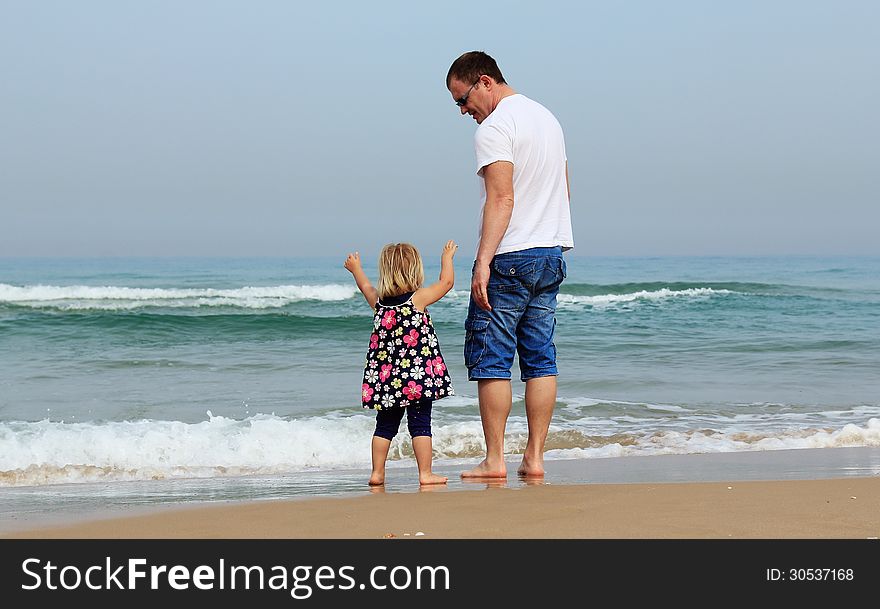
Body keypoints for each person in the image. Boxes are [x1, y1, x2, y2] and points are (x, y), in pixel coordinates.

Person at [446, 50, 574, 479]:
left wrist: (482, 261)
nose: (464, 112)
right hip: (550, 250)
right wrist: (558, 241)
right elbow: (563, 187)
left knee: (492, 358)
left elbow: (501, 199)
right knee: (540, 358)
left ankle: (495, 460)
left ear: (484, 81)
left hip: (512, 254)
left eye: (462, 100)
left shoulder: (496, 126)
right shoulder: (548, 119)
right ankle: (535, 458)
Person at [344, 240, 458, 486]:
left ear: (385, 272)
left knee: (384, 426)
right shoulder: (417, 299)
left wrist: (356, 269)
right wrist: (447, 257)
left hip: (387, 381)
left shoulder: (380, 304)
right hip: (416, 380)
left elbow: (365, 286)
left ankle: (377, 473)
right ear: (414, 271)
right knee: (420, 424)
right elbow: (446, 283)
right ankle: (425, 474)